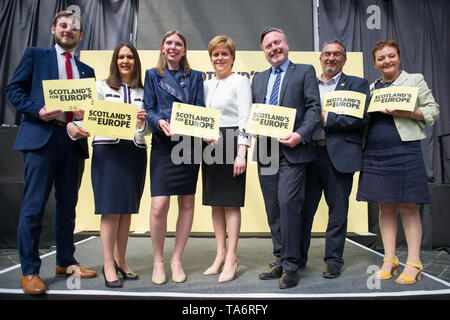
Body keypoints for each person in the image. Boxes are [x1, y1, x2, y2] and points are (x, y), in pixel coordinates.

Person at [6, 10, 97, 295]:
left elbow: (89, 111)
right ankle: (30, 271)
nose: (68, 30)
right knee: (34, 206)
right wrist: (38, 110)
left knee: (67, 206)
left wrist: (83, 121)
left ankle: (65, 261)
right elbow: (14, 89)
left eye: (74, 27)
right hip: (41, 138)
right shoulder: (36, 55)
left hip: (72, 142)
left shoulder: (86, 72)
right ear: (53, 29)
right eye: (63, 25)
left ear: (80, 35)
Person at [357, 40, 439, 285]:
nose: (387, 61)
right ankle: (390, 259)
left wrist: (410, 113)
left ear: (399, 57)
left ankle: (414, 262)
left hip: (404, 148)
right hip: (375, 150)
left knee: (408, 205)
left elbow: (432, 110)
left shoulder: (414, 80)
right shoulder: (371, 87)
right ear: (375, 63)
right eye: (381, 58)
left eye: (391, 56)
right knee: (385, 206)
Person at [252, 27, 321, 289]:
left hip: (293, 150)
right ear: (264, 52)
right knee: (273, 210)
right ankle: (280, 258)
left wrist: (301, 135)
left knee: (288, 204)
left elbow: (314, 108)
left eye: (277, 42)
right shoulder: (258, 79)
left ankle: (292, 265)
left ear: (286, 44)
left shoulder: (304, 71)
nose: (274, 48)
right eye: (268, 46)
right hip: (266, 152)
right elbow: (253, 112)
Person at [300, 40, 370, 279]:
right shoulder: (308, 83)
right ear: (320, 58)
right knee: (303, 211)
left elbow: (359, 118)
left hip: (339, 156)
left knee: (338, 212)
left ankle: (333, 260)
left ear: (344, 59)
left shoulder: (357, 84)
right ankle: (298, 258)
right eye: (327, 54)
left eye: (336, 54)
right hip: (307, 155)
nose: (331, 58)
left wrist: (324, 119)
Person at [144, 30, 205, 284]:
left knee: (187, 204)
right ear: (162, 47)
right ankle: (158, 260)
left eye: (178, 44)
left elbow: (201, 109)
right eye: (169, 43)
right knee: (159, 206)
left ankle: (176, 259)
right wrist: (159, 121)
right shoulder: (151, 75)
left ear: (184, 50)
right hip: (162, 145)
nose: (173, 47)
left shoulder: (196, 77)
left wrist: (206, 130)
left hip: (189, 146)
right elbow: (148, 108)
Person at [89, 44, 150, 288]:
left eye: (130, 57)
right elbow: (94, 118)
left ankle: (121, 260)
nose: (125, 61)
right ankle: (107, 265)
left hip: (134, 151)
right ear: (115, 60)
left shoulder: (145, 91)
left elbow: (147, 130)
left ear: (136, 61)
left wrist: (141, 124)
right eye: (121, 57)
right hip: (108, 151)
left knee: (126, 210)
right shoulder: (100, 87)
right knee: (110, 209)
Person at [201, 35, 252, 283]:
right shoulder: (206, 84)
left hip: (232, 142)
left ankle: (232, 256)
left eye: (224, 54)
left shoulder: (241, 82)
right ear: (211, 58)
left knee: (231, 202)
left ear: (232, 57)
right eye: (215, 54)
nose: (219, 58)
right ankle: (220, 254)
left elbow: (245, 118)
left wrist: (241, 152)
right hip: (209, 144)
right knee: (215, 201)